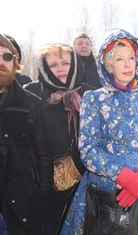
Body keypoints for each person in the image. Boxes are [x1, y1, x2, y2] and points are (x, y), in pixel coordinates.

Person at [60, 28, 138, 235]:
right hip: (106, 192)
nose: (128, 64)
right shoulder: (94, 99)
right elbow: (88, 149)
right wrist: (126, 178)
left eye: (131, 57)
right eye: (119, 59)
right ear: (108, 63)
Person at [24, 43, 87, 235]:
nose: (60, 68)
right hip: (43, 176)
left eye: (65, 63)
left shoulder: (88, 93)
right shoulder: (32, 91)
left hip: (82, 174)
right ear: (44, 68)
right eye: (53, 65)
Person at [0, 34, 52, 234]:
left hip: (22, 209)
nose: (1, 62)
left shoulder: (31, 104)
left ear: (16, 64)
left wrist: (41, 198)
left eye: (7, 57)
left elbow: (44, 159)